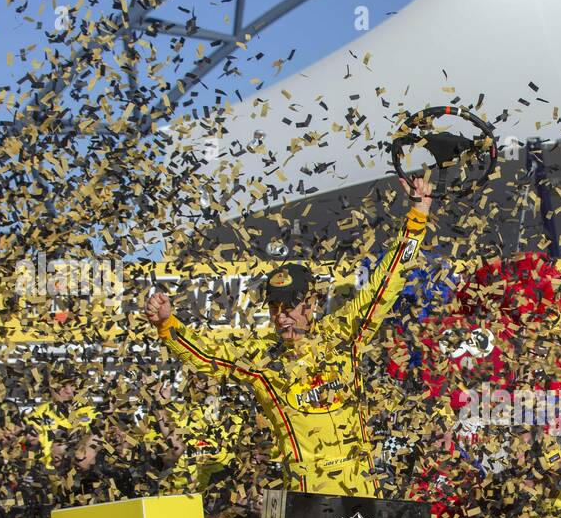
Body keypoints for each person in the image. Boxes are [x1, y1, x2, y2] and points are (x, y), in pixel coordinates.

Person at [143, 175, 433, 496]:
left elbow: (386, 282)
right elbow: (208, 355)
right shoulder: (262, 359)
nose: (283, 317)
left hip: (363, 489)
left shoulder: (343, 334)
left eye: (292, 306)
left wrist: (417, 220)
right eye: (275, 307)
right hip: (307, 498)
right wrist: (169, 326)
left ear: (313, 303)